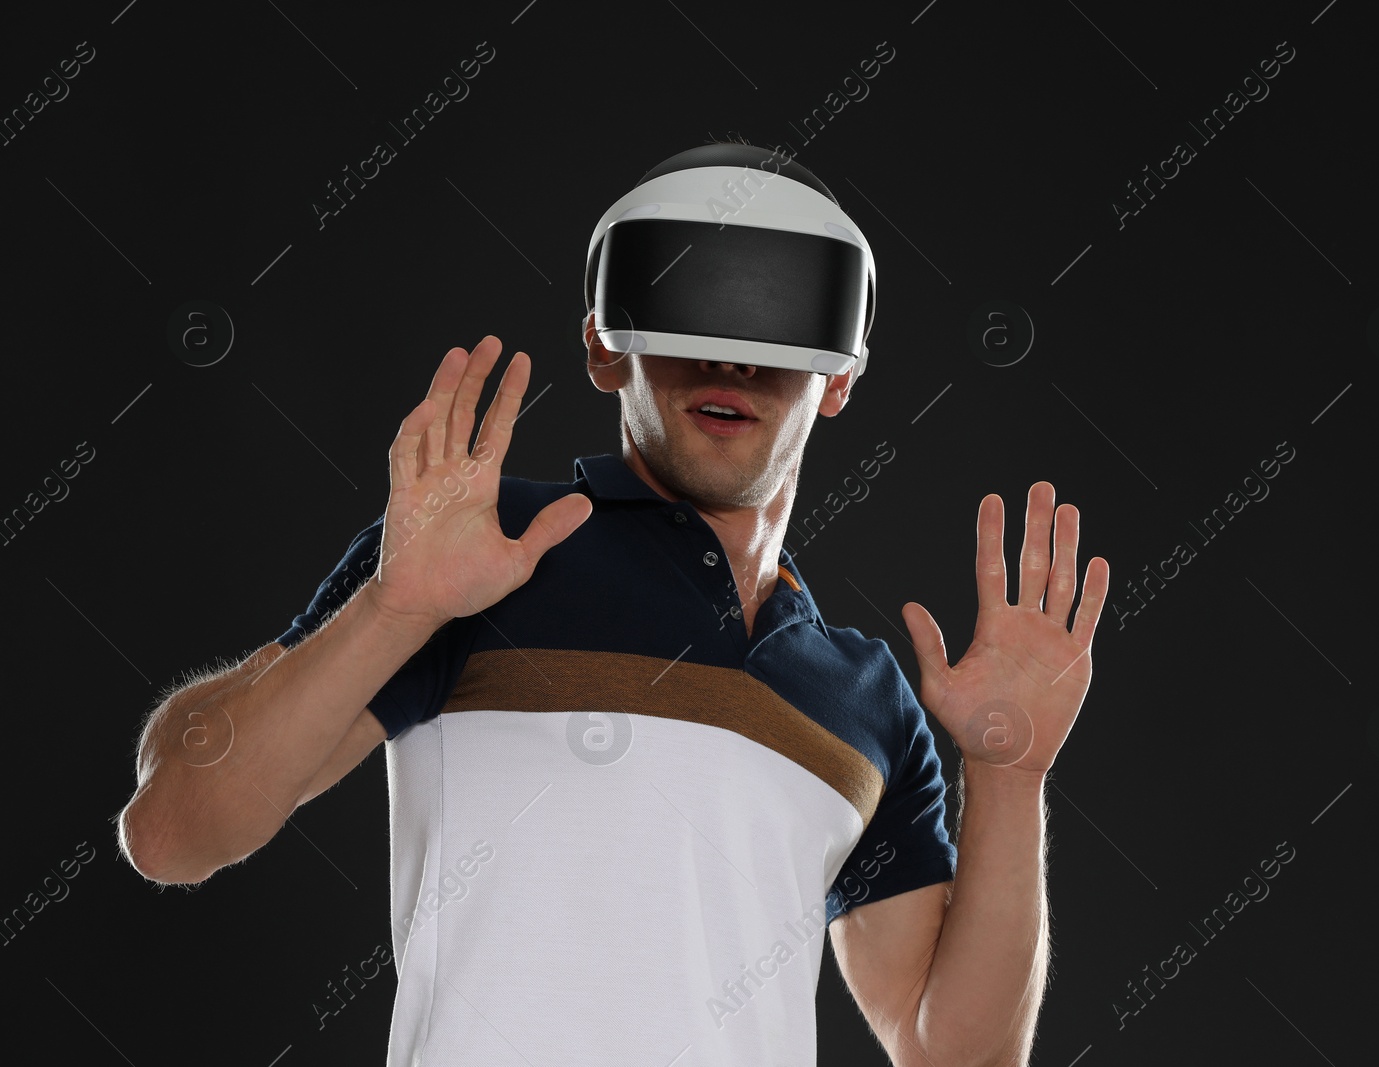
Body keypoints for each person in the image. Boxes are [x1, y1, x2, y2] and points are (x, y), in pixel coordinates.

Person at [117, 140, 1110, 1066]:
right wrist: (395, 605)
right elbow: (173, 831)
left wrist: (1011, 771)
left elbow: (957, 1054)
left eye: (776, 320)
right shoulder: (477, 552)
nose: (732, 361)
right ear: (603, 347)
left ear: (838, 378)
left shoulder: (866, 693)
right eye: (695, 314)